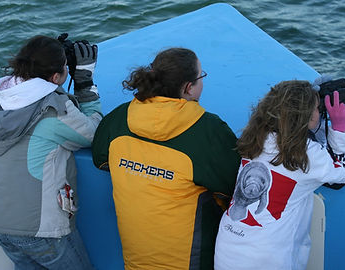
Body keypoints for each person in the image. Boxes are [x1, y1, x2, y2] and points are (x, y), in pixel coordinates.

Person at [91, 47, 241, 270]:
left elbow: (101, 158)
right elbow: (233, 189)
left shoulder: (120, 118)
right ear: (188, 88)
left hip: (136, 261)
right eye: (201, 76)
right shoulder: (209, 130)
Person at [0, 35, 102, 270]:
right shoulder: (54, 109)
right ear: (56, 77)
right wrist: (85, 85)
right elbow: (93, 134)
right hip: (36, 226)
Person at [214, 80, 345, 270]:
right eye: (315, 109)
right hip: (265, 259)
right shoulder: (308, 154)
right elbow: (340, 172)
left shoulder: (256, 138)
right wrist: (339, 130)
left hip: (228, 247)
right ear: (305, 118)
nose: (318, 112)